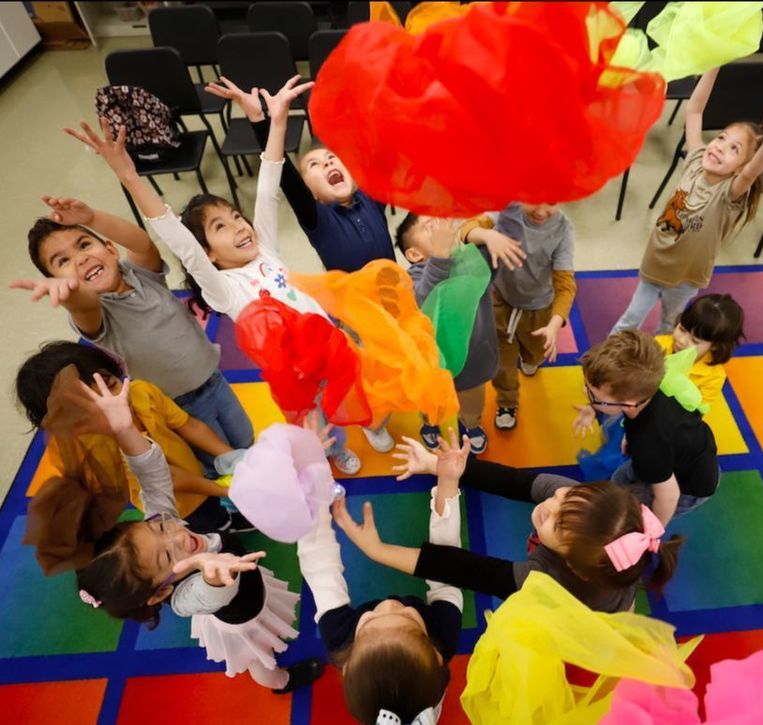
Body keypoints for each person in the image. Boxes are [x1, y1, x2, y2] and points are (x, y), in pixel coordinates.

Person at [64, 80, 367, 475]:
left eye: (237, 218)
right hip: (295, 380)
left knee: (343, 402)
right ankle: (325, 453)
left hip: (330, 352)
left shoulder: (268, 252)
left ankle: (343, 439)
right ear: (206, 252)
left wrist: (276, 123)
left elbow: (267, 188)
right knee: (312, 426)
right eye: (221, 227)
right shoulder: (223, 289)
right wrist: (131, 177)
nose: (240, 227)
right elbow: (175, 236)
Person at [74, 372, 324, 693]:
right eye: (168, 555)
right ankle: (279, 682)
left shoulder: (166, 522)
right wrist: (212, 577)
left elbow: (152, 474)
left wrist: (124, 430)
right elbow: (206, 595)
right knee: (261, 658)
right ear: (162, 591)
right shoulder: (184, 598)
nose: (176, 536)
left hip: (249, 583)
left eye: (158, 526)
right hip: (242, 621)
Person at [12, 196, 253, 468]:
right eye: (63, 261)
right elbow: (84, 306)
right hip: (179, 406)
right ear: (57, 281)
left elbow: (141, 243)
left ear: (111, 249)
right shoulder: (97, 313)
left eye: (84, 245)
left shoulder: (141, 275)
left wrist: (91, 217)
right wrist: (70, 295)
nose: (81, 259)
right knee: (220, 463)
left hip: (214, 377)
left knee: (245, 440)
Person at [295, 429, 465, 725]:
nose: (389, 604)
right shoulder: (444, 632)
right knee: (425, 708)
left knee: (422, 708)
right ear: (436, 654)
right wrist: (447, 486)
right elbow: (449, 569)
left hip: (413, 684)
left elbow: (319, 564)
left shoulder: (339, 636)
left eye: (373, 620)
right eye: (406, 617)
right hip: (421, 684)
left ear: (348, 662)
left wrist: (313, 488)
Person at [338, 431, 682, 614]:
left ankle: (621, 615)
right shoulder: (574, 497)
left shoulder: (544, 579)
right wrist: (439, 466)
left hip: (587, 607)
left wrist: (379, 551)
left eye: (558, 526)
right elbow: (514, 482)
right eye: (562, 500)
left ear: (575, 566)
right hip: (606, 582)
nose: (550, 506)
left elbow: (464, 569)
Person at [611, 67, 763, 335]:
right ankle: (601, 366)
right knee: (629, 320)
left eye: (734, 149)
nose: (721, 146)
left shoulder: (729, 193)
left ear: (739, 168)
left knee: (669, 327)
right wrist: (713, 64)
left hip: (686, 279)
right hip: (656, 264)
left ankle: (658, 368)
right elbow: (695, 110)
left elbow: (751, 173)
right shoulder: (696, 160)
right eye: (722, 138)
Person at [15, 340, 252, 534]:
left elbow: (188, 424)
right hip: (175, 507)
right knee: (203, 535)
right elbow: (167, 478)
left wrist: (231, 456)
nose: (113, 405)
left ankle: (224, 522)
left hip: (197, 480)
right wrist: (224, 491)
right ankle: (221, 535)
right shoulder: (93, 446)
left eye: (111, 385)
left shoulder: (141, 392)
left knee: (214, 512)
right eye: (91, 407)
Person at [205, 76, 396, 273]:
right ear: (311, 193)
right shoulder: (320, 219)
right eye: (314, 164)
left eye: (331, 157)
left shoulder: (371, 199)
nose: (327, 162)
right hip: (351, 303)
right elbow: (286, 176)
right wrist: (259, 121)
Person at [576, 330, 720, 527]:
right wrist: (628, 433)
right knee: (619, 479)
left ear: (628, 403)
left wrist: (652, 531)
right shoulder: (651, 387)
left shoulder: (649, 446)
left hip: (688, 486)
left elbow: (669, 497)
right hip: (688, 451)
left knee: (629, 515)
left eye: (593, 395)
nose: (585, 392)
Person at [461, 202, 577, 430]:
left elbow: (565, 285)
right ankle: (507, 401)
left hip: (540, 310)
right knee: (502, 364)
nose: (541, 212)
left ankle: (529, 360)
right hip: (502, 304)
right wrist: (487, 235)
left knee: (534, 355)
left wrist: (554, 325)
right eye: (534, 201)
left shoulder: (563, 230)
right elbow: (466, 229)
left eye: (551, 203)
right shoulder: (505, 212)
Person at [395, 215, 499, 454]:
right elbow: (426, 296)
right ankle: (430, 423)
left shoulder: (470, 261)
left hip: (473, 364)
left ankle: (471, 425)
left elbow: (495, 248)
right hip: (432, 366)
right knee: (431, 402)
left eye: (440, 221)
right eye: (428, 226)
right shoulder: (412, 278)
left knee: (472, 404)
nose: (440, 227)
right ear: (414, 255)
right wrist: (440, 257)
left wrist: (480, 233)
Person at [655, 293, 745, 411]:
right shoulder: (656, 346)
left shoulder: (714, 377)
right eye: (682, 329)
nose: (681, 340)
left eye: (695, 341)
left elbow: (698, 411)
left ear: (715, 346)